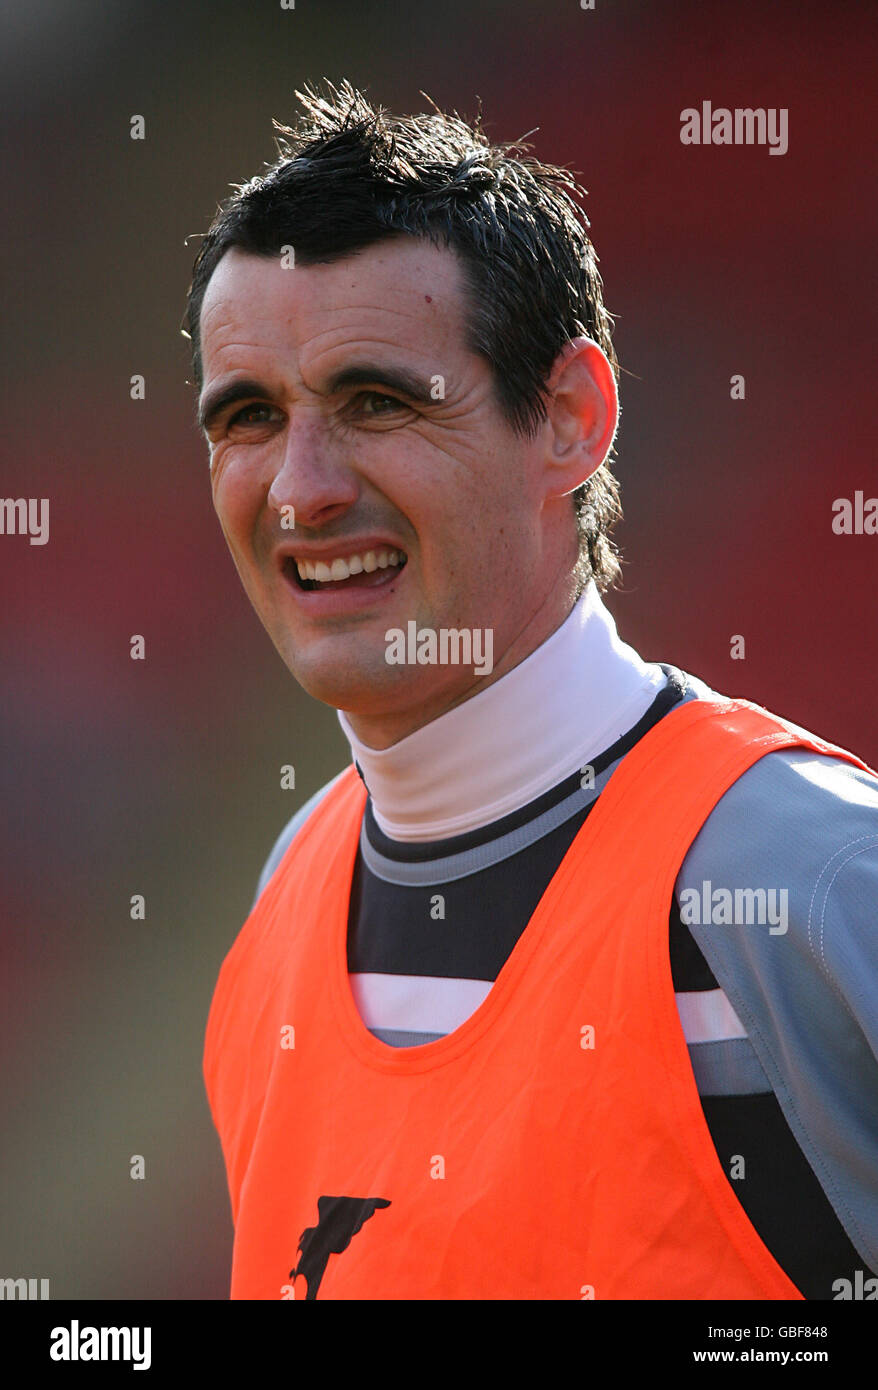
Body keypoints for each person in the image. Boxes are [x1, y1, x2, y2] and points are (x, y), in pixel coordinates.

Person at [184, 79, 878, 1300]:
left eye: (376, 401)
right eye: (248, 417)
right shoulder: (287, 891)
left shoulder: (809, 887)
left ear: (569, 416)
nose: (298, 490)